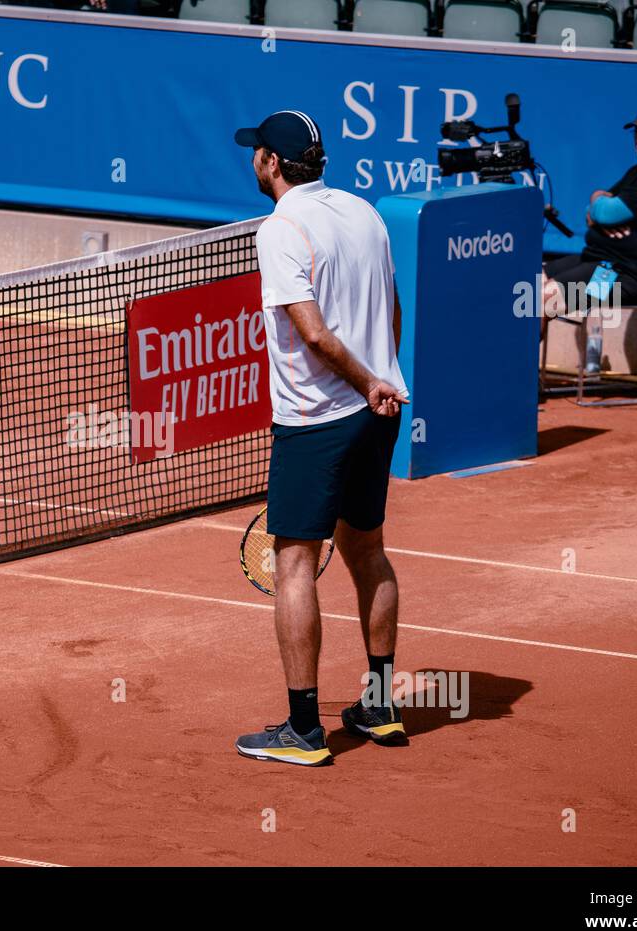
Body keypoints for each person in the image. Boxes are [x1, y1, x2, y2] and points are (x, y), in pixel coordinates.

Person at [231, 110, 410, 768]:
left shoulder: (281, 229)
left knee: (296, 563)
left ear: (273, 165)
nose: (253, 161)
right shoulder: (364, 210)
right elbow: (393, 306)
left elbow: (311, 333)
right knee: (368, 551)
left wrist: (362, 381)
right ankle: (382, 707)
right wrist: (382, 380)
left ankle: (304, 730)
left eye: (257, 153)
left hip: (318, 419)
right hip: (378, 412)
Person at [542, 103, 637, 326]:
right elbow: (593, 213)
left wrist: (600, 207)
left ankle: (514, 360)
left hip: (628, 276)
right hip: (603, 262)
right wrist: (597, 200)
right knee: (531, 283)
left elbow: (604, 213)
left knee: (542, 299)